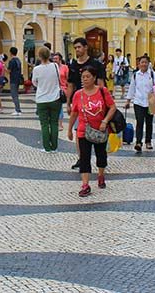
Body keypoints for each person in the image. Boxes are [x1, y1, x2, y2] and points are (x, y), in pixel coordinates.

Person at [68, 65, 116, 197]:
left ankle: (101, 175)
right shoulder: (78, 94)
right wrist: (70, 129)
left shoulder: (102, 91)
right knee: (84, 157)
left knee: (101, 156)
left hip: (100, 129)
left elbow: (112, 107)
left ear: (94, 77)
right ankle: (85, 184)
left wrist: (105, 121)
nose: (85, 79)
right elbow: (74, 113)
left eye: (88, 76)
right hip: (83, 130)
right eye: (83, 77)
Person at [67, 37, 106, 170]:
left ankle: (100, 157)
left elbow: (101, 84)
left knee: (97, 130)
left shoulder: (96, 65)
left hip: (95, 103)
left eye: (79, 47)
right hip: (78, 102)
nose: (77, 50)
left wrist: (104, 102)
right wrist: (68, 103)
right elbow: (70, 85)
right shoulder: (73, 65)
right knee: (79, 132)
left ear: (85, 47)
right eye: (75, 48)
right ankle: (81, 158)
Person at [125, 55, 155, 153]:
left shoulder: (153, 74)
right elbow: (132, 88)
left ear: (149, 64)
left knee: (149, 122)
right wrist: (128, 100)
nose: (144, 64)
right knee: (139, 122)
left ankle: (148, 141)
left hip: (150, 101)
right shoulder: (136, 75)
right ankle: (138, 142)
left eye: (145, 62)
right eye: (142, 62)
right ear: (139, 64)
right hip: (138, 102)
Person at [32, 47, 62, 153]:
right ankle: (54, 147)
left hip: (42, 99)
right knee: (54, 123)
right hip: (55, 98)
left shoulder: (36, 69)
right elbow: (59, 79)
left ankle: (46, 147)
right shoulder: (55, 66)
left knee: (44, 124)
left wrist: (41, 85)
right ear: (49, 55)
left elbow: (34, 82)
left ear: (39, 56)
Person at [53, 53, 69, 131]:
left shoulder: (65, 67)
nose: (55, 60)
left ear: (60, 59)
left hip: (62, 89)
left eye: (56, 58)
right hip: (53, 89)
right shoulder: (52, 68)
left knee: (59, 107)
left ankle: (60, 124)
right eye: (54, 59)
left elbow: (68, 79)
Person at [8, 47, 23, 116]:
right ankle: (18, 109)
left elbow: (9, 71)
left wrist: (3, 67)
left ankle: (17, 110)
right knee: (16, 95)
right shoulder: (18, 60)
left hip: (13, 79)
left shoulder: (11, 61)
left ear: (10, 52)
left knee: (14, 95)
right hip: (18, 79)